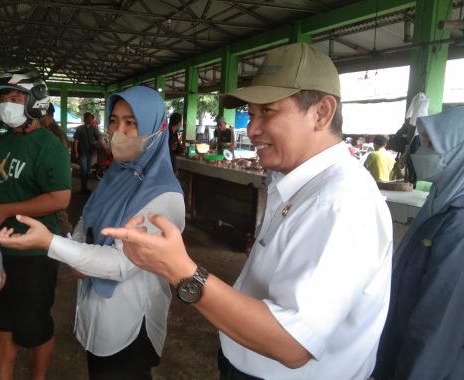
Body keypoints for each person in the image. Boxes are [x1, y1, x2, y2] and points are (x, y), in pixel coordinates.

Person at [102, 43, 393, 380]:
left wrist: (182, 271)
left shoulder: (339, 202)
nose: (252, 129)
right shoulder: (297, 183)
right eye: (252, 114)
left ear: (322, 113)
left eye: (267, 112)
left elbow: (291, 343)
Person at [0, 85, 185, 380]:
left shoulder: (164, 195)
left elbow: (123, 263)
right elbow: (86, 221)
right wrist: (77, 256)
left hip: (131, 319)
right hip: (96, 310)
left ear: (157, 128)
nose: (119, 131)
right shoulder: (118, 174)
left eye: (131, 123)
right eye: (114, 120)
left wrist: (51, 243)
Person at [0, 68, 71, 380]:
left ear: (35, 102)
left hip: (34, 252)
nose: (8, 103)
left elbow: (60, 198)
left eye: (16, 97)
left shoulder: (48, 146)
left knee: (34, 325)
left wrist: (5, 210)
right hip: (1, 247)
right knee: (3, 322)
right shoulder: (4, 142)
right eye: (4, 98)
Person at [372, 106, 464, 380]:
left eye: (431, 144)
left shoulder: (462, 224)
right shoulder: (443, 198)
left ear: (461, 152)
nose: (421, 151)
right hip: (402, 348)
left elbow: (438, 324)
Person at [41, 102, 72, 236]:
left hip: (54, 177)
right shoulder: (54, 129)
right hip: (53, 175)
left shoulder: (53, 133)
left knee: (58, 209)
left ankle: (67, 237)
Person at [73, 112, 102, 194]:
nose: (90, 119)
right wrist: (76, 152)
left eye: (91, 118)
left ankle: (85, 187)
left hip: (90, 152)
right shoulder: (80, 128)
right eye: (88, 118)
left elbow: (99, 138)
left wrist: (102, 147)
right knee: (84, 170)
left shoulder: (93, 128)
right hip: (82, 152)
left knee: (88, 170)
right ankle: (83, 188)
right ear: (84, 119)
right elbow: (76, 140)